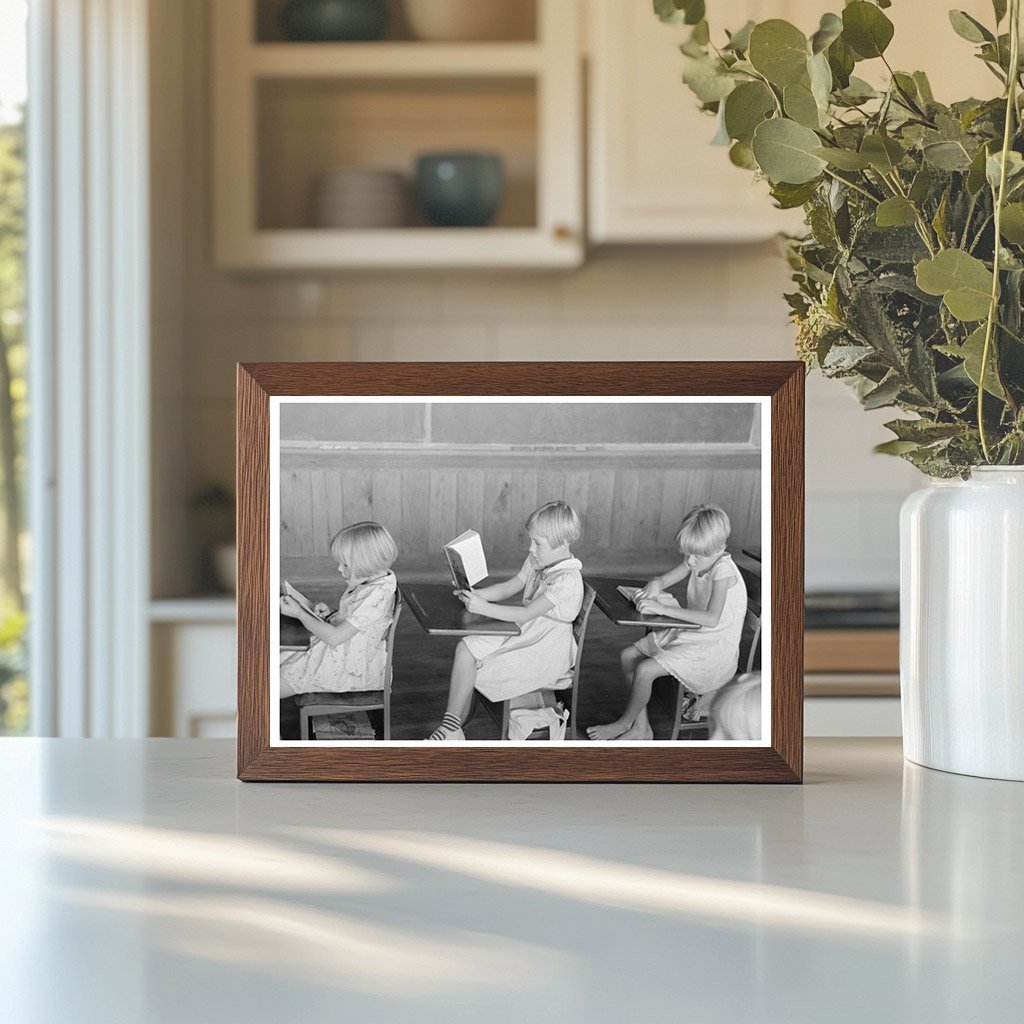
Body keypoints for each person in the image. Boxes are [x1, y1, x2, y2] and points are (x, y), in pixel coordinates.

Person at [427, 500, 584, 741]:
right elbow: (510, 587)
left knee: (480, 664)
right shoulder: (537, 560)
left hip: (546, 647)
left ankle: (451, 728)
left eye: (537, 543)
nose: (531, 549)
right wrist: (478, 595)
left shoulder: (567, 581)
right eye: (531, 540)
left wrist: (484, 608)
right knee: (466, 647)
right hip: (527, 631)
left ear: (562, 542)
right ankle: (453, 725)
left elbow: (525, 613)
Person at [588, 504, 747, 741]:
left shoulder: (722, 570)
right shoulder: (701, 558)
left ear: (719, 549)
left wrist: (661, 607)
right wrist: (656, 583)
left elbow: (712, 618)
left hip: (713, 649)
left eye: (696, 555)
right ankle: (642, 729)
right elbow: (671, 575)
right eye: (687, 554)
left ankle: (624, 723)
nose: (690, 561)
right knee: (627, 656)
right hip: (695, 634)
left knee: (644, 669)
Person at [279, 521, 398, 698]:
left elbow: (335, 637)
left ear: (365, 563)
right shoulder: (376, 581)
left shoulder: (377, 594)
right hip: (345, 653)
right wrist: (333, 613)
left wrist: (299, 613)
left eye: (345, 565)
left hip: (350, 669)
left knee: (266, 688)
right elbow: (362, 620)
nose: (339, 568)